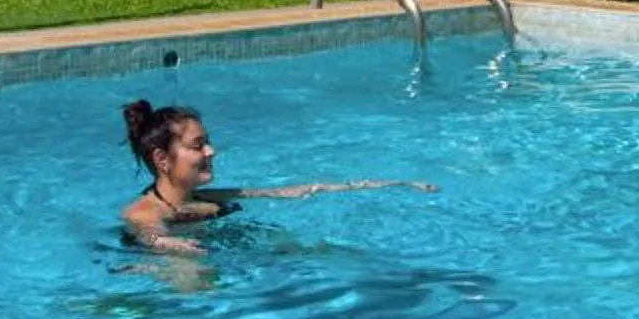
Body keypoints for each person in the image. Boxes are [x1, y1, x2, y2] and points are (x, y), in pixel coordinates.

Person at [118, 99, 433, 254]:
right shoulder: (144, 211)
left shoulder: (209, 198)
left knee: (319, 250)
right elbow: (149, 234)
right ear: (162, 159)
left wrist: (391, 184)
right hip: (171, 282)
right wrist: (172, 245)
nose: (211, 151)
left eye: (208, 142)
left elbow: (295, 191)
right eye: (198, 146)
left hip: (225, 262)